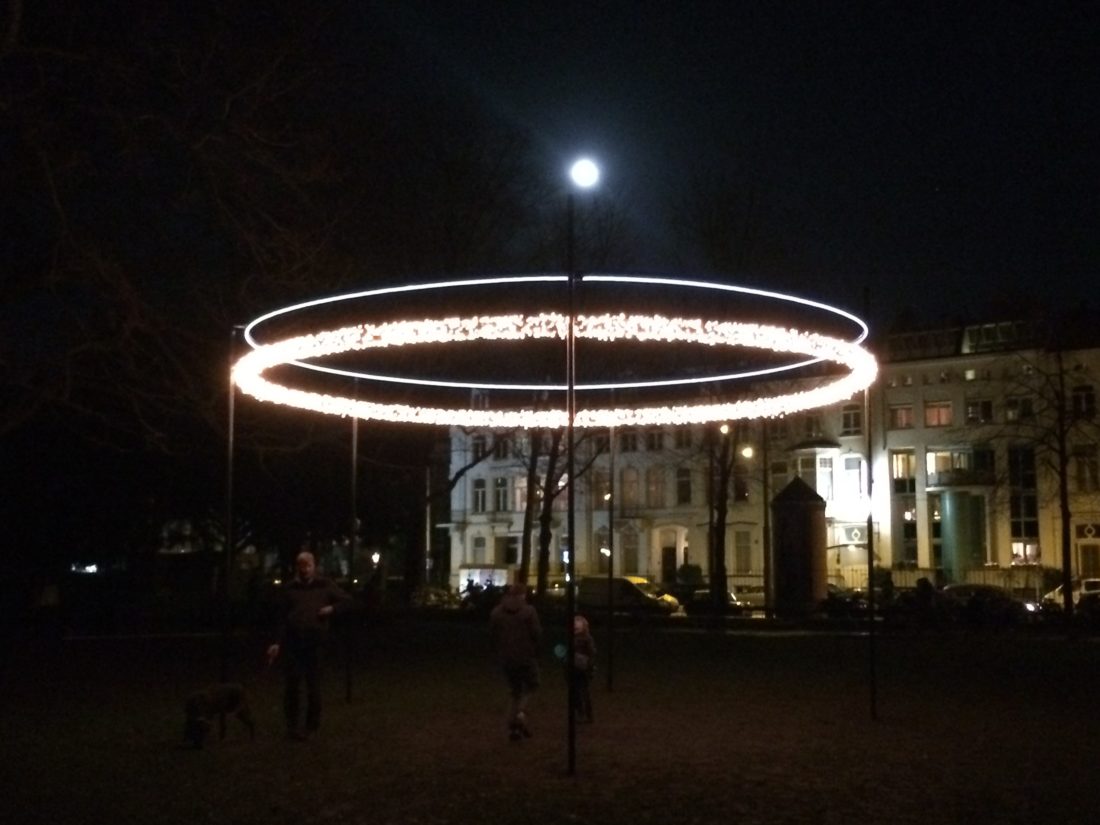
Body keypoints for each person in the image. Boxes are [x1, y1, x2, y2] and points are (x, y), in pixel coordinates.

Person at [266, 550, 351, 740]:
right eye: (301, 566)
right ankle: (292, 726)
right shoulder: (290, 589)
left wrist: (332, 608)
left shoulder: (324, 585)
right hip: (294, 642)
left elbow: (347, 601)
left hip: (315, 642)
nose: (304, 570)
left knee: (314, 686)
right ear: (297, 567)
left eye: (308, 566)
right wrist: (276, 642)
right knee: (292, 685)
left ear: (314, 566)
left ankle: (311, 726)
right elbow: (281, 618)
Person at [489, 580, 541, 741]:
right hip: (525, 656)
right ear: (523, 595)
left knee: (514, 691)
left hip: (506, 657)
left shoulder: (497, 612)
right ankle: (519, 714)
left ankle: (513, 726)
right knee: (532, 685)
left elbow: (493, 635)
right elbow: (536, 633)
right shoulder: (529, 611)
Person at [570, 614, 596, 723]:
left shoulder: (586, 638)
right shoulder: (573, 638)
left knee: (583, 692)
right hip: (574, 669)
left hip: (583, 669)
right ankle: (581, 713)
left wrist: (589, 666)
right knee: (576, 692)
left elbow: (591, 653)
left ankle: (586, 714)